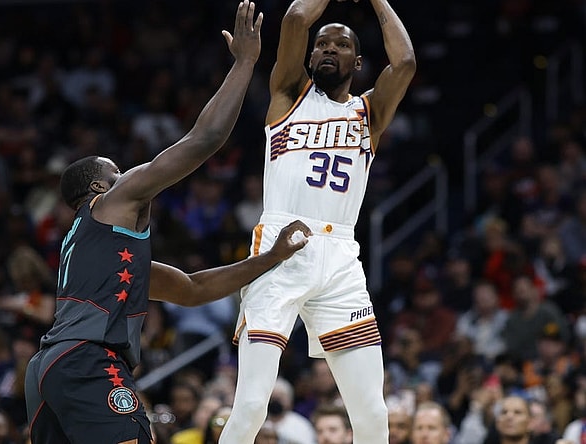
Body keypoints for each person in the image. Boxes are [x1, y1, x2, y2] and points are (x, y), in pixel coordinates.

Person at [23, 4, 309, 443]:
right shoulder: (112, 204)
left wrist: (270, 258)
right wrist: (246, 63)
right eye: (118, 172)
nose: (132, 177)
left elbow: (192, 289)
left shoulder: (91, 250)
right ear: (100, 187)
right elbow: (204, 140)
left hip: (47, 370)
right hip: (88, 359)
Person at [220, 0, 415, 441]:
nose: (328, 48)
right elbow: (294, 18)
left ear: (358, 61)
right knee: (251, 405)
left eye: (341, 44)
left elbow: (404, 61)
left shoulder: (370, 115)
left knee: (372, 412)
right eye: (322, 44)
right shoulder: (289, 94)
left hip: (341, 260)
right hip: (279, 249)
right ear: (309, 57)